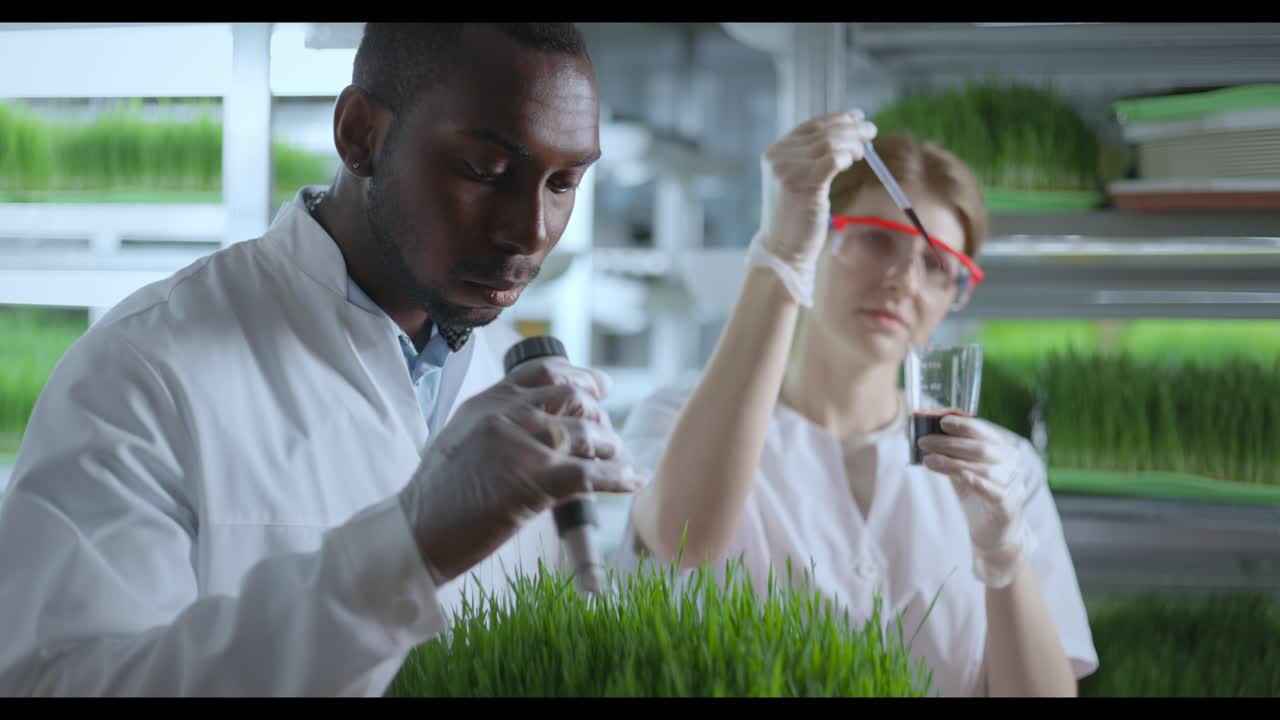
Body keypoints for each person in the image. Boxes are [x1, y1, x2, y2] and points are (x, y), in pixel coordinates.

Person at [0, 23, 643, 696]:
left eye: (564, 183)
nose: (531, 231)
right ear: (360, 135)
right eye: (486, 171)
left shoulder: (506, 388)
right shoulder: (143, 371)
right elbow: (57, 683)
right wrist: (406, 548)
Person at [615, 111, 1098, 697]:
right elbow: (681, 538)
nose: (904, 281)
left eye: (936, 265)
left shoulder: (1005, 468)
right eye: (876, 239)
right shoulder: (673, 421)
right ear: (819, 235)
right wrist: (781, 251)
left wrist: (1005, 559)